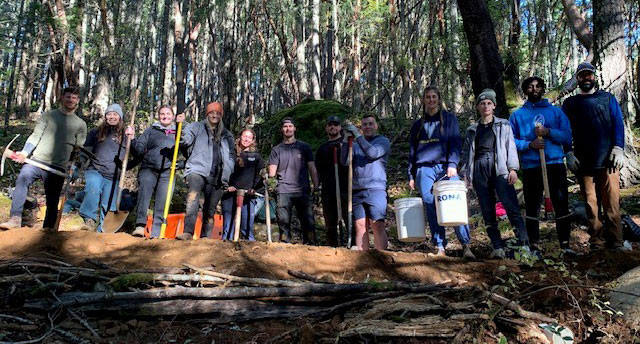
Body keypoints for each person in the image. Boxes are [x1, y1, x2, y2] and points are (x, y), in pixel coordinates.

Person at [562, 62, 628, 251]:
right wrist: (568, 152)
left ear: (594, 77)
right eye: (582, 75)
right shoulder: (570, 104)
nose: (586, 78)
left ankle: (616, 241)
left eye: (589, 75)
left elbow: (618, 123)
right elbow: (565, 130)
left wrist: (618, 147)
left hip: (608, 160)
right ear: (577, 79)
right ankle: (597, 242)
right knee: (591, 204)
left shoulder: (607, 99)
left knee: (612, 202)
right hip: (583, 162)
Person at [0, 87, 87, 231]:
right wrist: (25, 153)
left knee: (52, 200)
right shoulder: (49, 115)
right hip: (36, 161)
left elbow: (78, 149)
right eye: (68, 97)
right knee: (22, 179)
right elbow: (36, 135)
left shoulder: (80, 124)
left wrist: (75, 168)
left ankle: (48, 230)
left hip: (58, 167)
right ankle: (15, 218)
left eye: (74, 98)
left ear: (77, 101)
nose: (70, 100)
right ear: (62, 98)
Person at [407, 86, 474, 259]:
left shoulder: (449, 119)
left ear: (439, 98)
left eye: (434, 97)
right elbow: (412, 151)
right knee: (431, 205)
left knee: (454, 202)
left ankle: (466, 244)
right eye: (427, 97)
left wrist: (453, 163)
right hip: (424, 168)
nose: (431, 100)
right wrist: (411, 174)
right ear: (423, 100)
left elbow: (455, 142)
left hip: (445, 167)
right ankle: (439, 246)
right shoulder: (418, 125)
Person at [461, 89, 529, 259]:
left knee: (511, 206)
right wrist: (466, 175)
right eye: (482, 104)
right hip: (479, 168)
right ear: (478, 107)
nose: (486, 106)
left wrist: (513, 169)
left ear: (494, 106)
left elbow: (510, 147)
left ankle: (524, 244)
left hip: (500, 167)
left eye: (489, 103)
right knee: (487, 209)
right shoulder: (472, 129)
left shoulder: (503, 125)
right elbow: (467, 154)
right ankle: (497, 246)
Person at [510, 77, 573, 253]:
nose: (534, 89)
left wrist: (548, 132)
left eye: (538, 86)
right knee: (532, 205)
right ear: (525, 91)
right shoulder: (517, 115)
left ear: (543, 89)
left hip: (554, 163)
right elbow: (510, 141)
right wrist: (529, 144)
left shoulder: (555, 112)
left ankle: (565, 244)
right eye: (530, 87)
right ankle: (534, 245)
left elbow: (567, 136)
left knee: (561, 203)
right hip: (531, 166)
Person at [176, 102, 235, 241]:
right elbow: (185, 140)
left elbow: (232, 155)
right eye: (211, 113)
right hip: (197, 169)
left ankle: (206, 238)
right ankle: (188, 232)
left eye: (218, 113)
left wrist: (228, 170)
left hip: (218, 175)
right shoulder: (196, 127)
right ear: (207, 114)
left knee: (210, 209)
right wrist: (181, 126)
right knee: (193, 198)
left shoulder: (227, 135)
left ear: (221, 115)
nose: (214, 115)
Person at [130, 106, 185, 238]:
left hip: (168, 172)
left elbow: (189, 151)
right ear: (158, 116)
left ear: (172, 116)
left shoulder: (178, 132)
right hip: (148, 168)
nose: (165, 116)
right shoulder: (151, 130)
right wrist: (132, 138)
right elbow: (138, 150)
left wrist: (180, 164)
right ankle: (140, 226)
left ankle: (157, 231)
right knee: (144, 196)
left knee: (163, 201)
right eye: (162, 114)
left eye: (167, 114)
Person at [78, 104, 133, 232]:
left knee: (108, 205)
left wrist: (133, 138)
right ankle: (89, 219)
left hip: (114, 175)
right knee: (93, 188)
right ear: (105, 116)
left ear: (120, 117)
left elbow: (138, 152)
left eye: (115, 114)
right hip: (95, 169)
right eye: (109, 114)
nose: (112, 117)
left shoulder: (126, 135)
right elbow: (86, 149)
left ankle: (103, 230)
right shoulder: (96, 132)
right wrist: (80, 162)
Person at [342, 114, 390, 251]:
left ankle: (381, 258)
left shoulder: (382, 141)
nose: (367, 127)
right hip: (357, 190)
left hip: (375, 189)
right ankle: (364, 260)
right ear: (361, 127)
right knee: (360, 226)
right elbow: (345, 162)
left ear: (376, 126)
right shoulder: (356, 145)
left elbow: (373, 153)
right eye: (364, 125)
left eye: (370, 124)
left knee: (377, 224)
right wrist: (346, 141)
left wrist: (358, 136)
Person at [268, 117, 319, 244]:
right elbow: (272, 173)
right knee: (283, 222)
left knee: (308, 222)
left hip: (303, 190)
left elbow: (312, 168)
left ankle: (311, 246)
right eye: (285, 127)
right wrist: (269, 180)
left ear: (295, 128)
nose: (288, 129)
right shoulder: (276, 150)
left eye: (290, 126)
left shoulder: (304, 147)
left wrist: (316, 186)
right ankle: (285, 247)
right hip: (283, 190)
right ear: (282, 129)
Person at [221, 128, 264, 241]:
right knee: (228, 226)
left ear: (253, 140)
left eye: (249, 137)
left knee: (247, 226)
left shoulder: (256, 157)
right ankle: (225, 249)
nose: (246, 139)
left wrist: (255, 189)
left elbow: (259, 176)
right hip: (230, 194)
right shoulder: (231, 153)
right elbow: (223, 170)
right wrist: (226, 186)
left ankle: (251, 251)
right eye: (244, 136)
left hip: (248, 195)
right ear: (240, 137)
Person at [315, 115, 349, 247]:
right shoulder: (322, 148)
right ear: (326, 128)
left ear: (340, 127)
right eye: (330, 125)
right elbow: (317, 170)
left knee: (349, 220)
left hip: (346, 189)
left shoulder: (346, 145)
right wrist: (316, 187)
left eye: (335, 124)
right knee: (330, 224)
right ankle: (332, 249)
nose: (333, 127)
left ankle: (353, 246)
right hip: (328, 191)